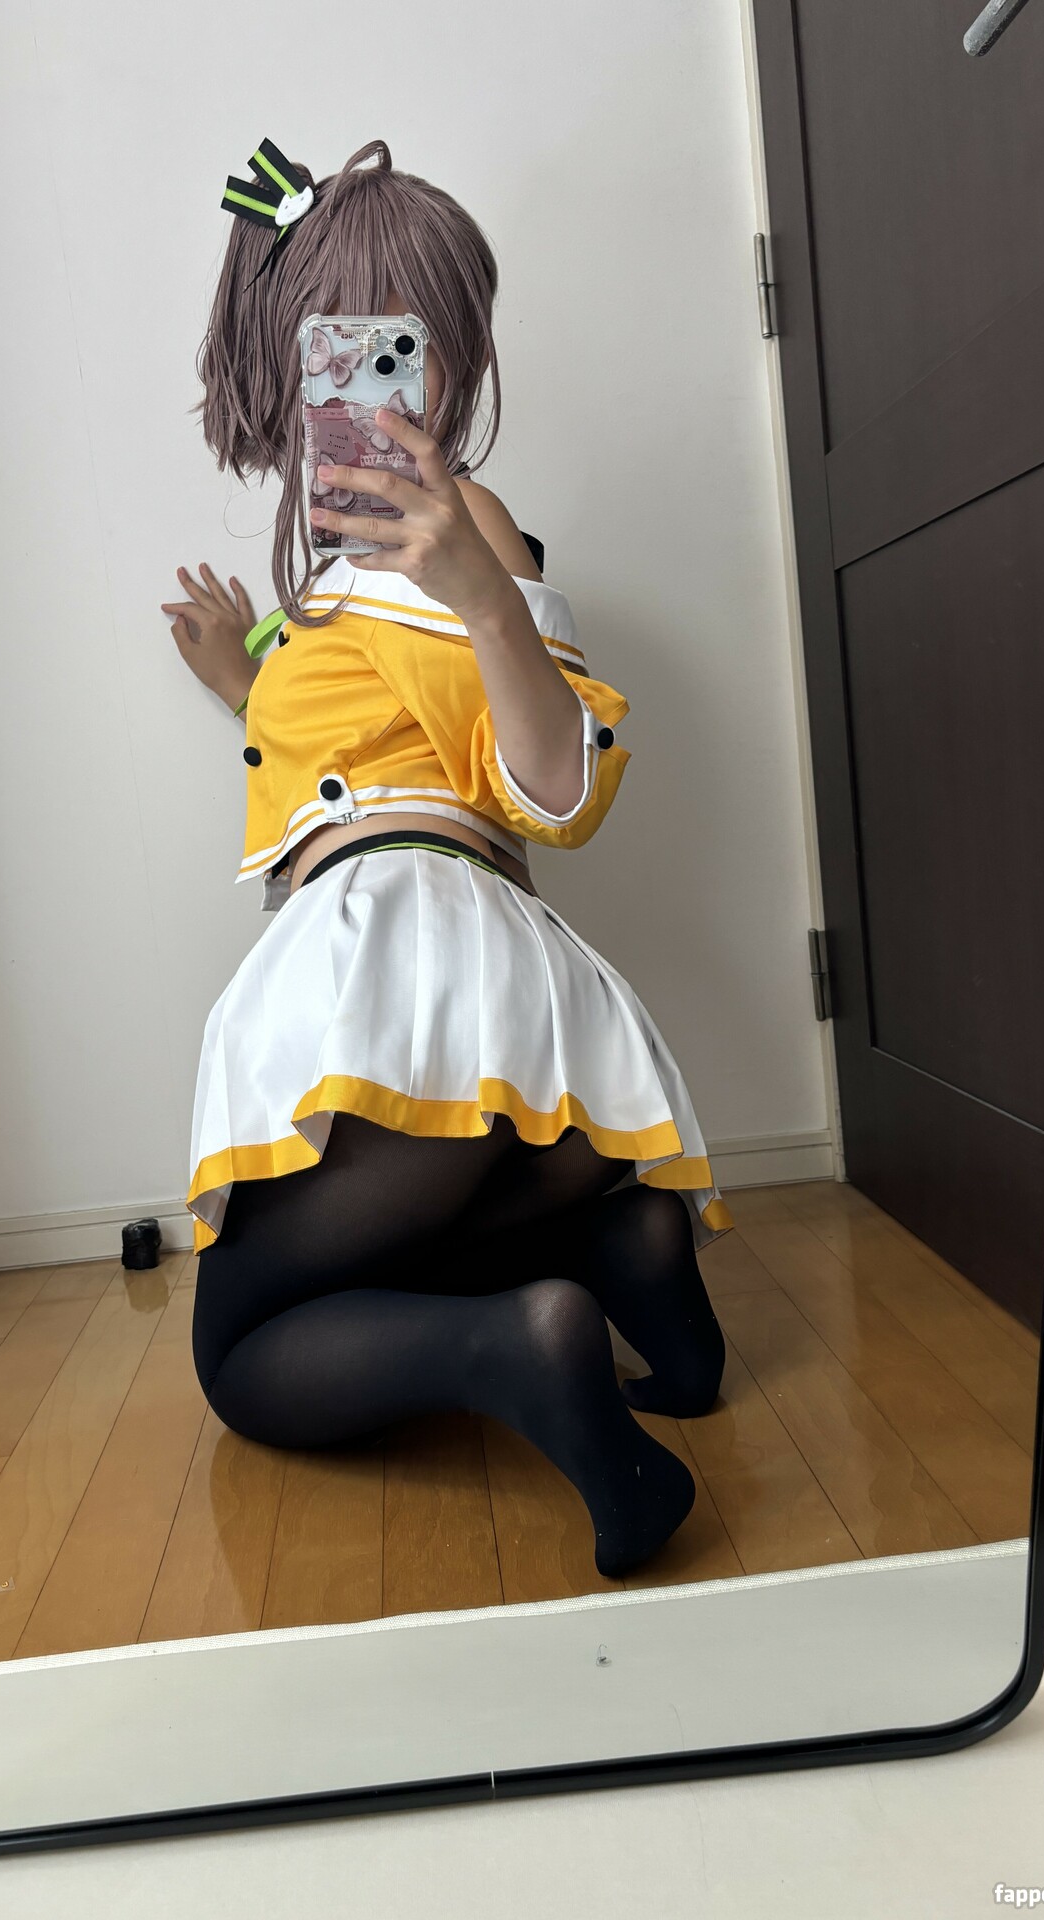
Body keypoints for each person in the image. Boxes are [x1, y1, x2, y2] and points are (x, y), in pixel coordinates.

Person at [161, 139, 735, 1579]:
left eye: (399, 343)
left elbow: (556, 793)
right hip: (480, 975)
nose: (366, 381)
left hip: (401, 963)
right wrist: (249, 685)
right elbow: (392, 754)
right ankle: (621, 1255)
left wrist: (488, 594)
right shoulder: (357, 563)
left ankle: (523, 1347)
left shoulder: (461, 524)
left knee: (243, 1353)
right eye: (334, 342)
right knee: (392, 1245)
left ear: (449, 354)